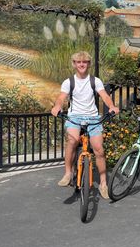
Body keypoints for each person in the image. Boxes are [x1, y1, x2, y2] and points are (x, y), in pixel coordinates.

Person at [51, 51, 119, 199]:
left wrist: (112, 106)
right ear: (74, 64)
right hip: (74, 116)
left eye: (85, 62)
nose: (81, 64)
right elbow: (61, 98)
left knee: (99, 150)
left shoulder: (96, 81)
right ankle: (68, 173)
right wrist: (57, 107)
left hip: (93, 118)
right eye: (78, 62)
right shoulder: (69, 82)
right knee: (72, 140)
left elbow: (105, 96)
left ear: (88, 64)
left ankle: (103, 183)